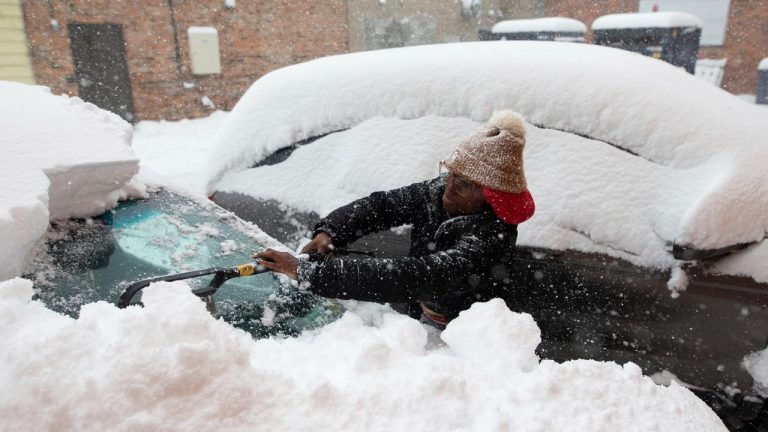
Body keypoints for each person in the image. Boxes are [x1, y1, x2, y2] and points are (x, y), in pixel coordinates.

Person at [254, 110, 535, 329]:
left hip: (471, 336)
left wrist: (308, 273)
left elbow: (411, 275)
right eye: (449, 173)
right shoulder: (438, 192)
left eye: (463, 184)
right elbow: (383, 206)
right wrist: (331, 231)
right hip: (424, 319)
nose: (448, 186)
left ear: (490, 196)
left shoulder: (489, 237)